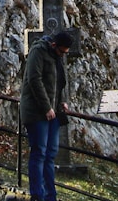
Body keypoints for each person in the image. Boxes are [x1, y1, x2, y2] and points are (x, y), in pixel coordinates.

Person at [20, 30, 73, 201]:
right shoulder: (38, 51)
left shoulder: (57, 56)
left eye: (65, 53)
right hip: (36, 112)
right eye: (62, 51)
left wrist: (61, 101)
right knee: (39, 152)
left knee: (50, 154)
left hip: (53, 113)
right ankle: (37, 195)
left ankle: (50, 196)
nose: (63, 55)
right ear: (54, 45)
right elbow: (34, 79)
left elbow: (58, 83)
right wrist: (47, 107)